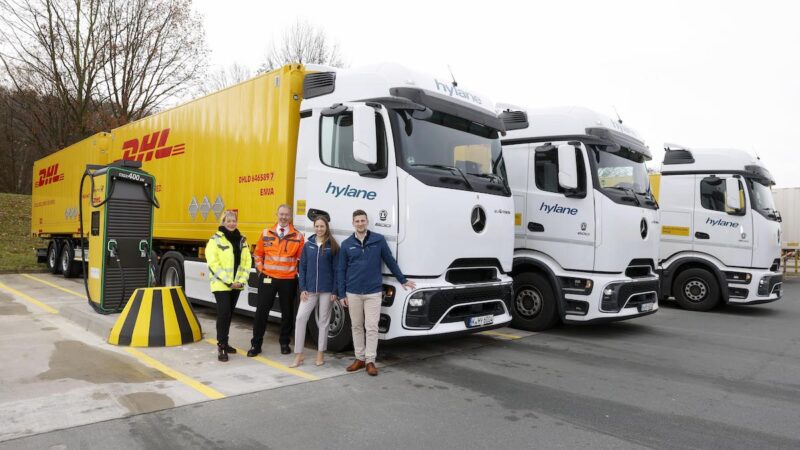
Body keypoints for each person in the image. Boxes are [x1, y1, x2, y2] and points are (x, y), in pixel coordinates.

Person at [338, 209, 415, 376]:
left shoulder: (378, 240)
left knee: (372, 327)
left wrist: (402, 280)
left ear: (367, 222)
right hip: (353, 292)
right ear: (353, 223)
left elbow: (390, 261)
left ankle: (370, 361)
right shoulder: (346, 244)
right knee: (356, 326)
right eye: (357, 221)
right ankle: (359, 359)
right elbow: (341, 270)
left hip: (373, 292)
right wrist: (342, 294)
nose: (360, 223)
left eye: (362, 220)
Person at [249, 204, 304, 356]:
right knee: (261, 312)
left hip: (288, 280)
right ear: (277, 214)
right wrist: (261, 272)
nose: (284, 217)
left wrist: (296, 275)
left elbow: (301, 260)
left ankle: (284, 343)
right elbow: (257, 254)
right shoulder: (266, 233)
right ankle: (256, 345)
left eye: (287, 215)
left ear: (290, 216)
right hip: (268, 278)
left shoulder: (298, 236)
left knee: (287, 313)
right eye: (281, 214)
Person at [291, 216, 339, 367]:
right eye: (317, 226)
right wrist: (303, 288)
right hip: (310, 290)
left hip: (327, 290)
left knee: (323, 322)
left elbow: (337, 270)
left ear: (326, 227)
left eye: (322, 226)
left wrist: (334, 290)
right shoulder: (308, 245)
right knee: (300, 318)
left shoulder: (333, 246)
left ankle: (320, 353)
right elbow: (302, 268)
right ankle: (299, 354)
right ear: (314, 227)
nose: (319, 229)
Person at [205, 210, 251, 362]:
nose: (232, 223)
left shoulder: (242, 240)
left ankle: (225, 341)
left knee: (229, 314)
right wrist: (228, 281)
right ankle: (222, 346)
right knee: (223, 313)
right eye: (229, 221)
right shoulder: (215, 240)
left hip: (236, 284)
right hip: (221, 284)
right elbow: (213, 264)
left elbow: (247, 262)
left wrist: (241, 281)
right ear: (223, 222)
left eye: (234, 221)